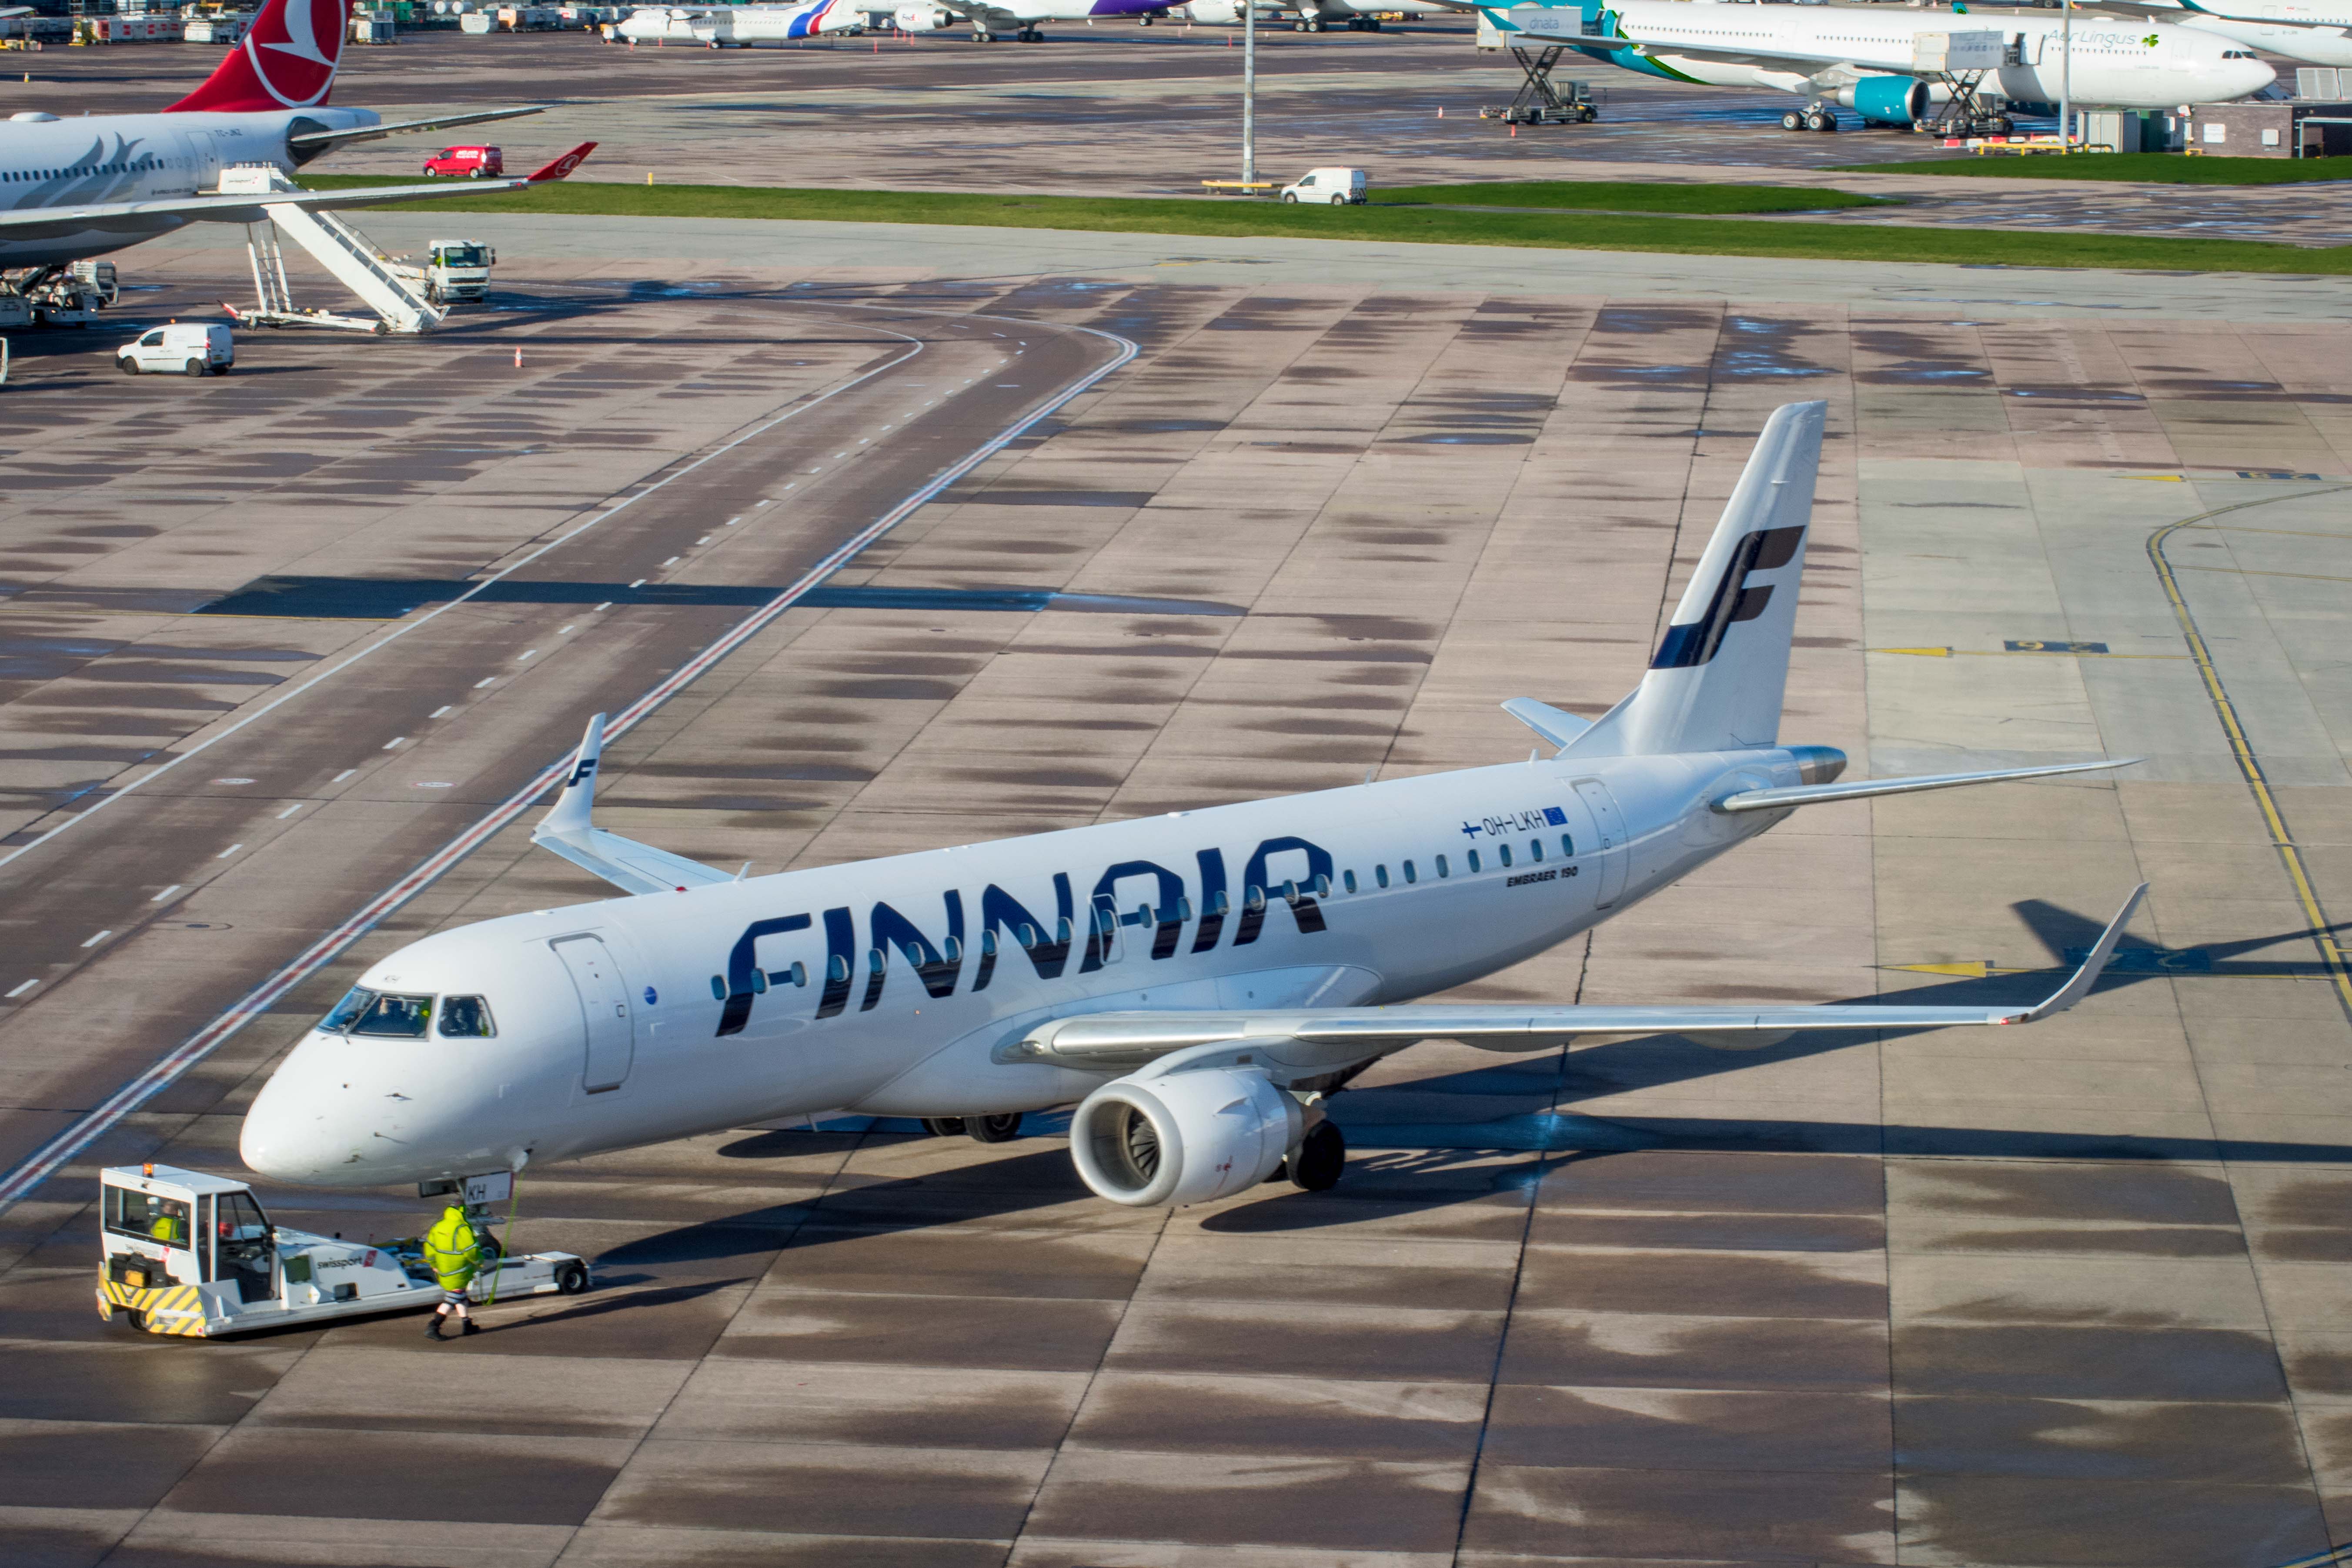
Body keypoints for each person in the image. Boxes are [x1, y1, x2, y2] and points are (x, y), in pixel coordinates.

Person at [422, 1203, 484, 1340]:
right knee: (454, 1297)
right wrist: (480, 1261)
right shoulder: (461, 1229)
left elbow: (430, 1248)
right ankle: (434, 1326)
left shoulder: (438, 1227)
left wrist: (433, 1264)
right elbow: (471, 1251)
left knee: (461, 1295)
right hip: (460, 1269)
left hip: (444, 1269)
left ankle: (467, 1324)